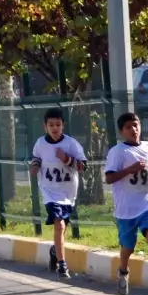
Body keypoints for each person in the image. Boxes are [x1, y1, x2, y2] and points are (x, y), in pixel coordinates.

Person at [104, 112, 148, 295]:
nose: (134, 129)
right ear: (121, 131)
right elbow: (109, 178)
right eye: (129, 127)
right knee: (128, 247)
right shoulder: (118, 152)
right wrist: (130, 170)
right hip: (126, 208)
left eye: (136, 125)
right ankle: (123, 271)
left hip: (147, 201)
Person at [29, 108, 87, 279]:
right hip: (49, 190)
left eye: (58, 125)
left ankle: (56, 250)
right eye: (51, 125)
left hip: (68, 191)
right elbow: (37, 158)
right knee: (59, 224)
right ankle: (63, 265)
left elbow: (83, 166)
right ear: (45, 126)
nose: (55, 128)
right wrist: (35, 166)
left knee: (62, 226)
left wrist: (66, 159)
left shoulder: (71, 144)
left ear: (63, 126)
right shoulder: (40, 143)